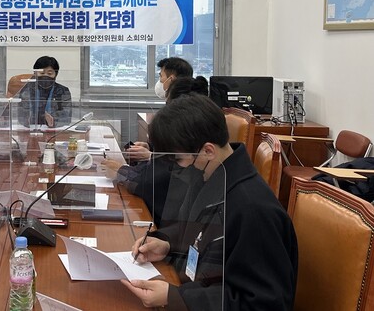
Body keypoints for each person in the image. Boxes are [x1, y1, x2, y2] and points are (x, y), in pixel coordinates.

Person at [122, 94, 298, 310]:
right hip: (196, 286)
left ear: (207, 151)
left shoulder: (254, 210)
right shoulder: (212, 176)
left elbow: (264, 303)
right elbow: (200, 236)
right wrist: (167, 246)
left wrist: (175, 298)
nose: (176, 167)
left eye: (178, 159)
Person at [102, 76, 209, 223]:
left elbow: (152, 184)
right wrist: (152, 151)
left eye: (168, 104)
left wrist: (121, 171)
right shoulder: (189, 135)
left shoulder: (191, 149)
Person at [16, 55, 72, 127]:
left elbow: (66, 117)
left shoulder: (63, 91)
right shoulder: (26, 90)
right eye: (42, 73)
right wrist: (29, 118)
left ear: (56, 74)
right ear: (35, 73)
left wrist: (52, 120)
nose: (45, 76)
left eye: (49, 73)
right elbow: (20, 115)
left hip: (54, 130)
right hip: (31, 129)